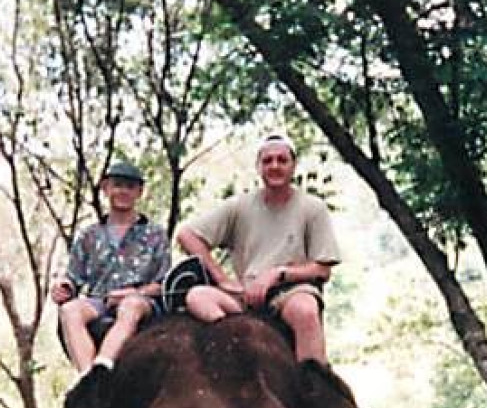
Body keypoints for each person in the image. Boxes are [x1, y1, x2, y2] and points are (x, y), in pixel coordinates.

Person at [176, 134, 342, 363]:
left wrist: (277, 274)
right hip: (245, 295)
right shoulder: (239, 206)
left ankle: (314, 384)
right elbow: (187, 235)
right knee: (197, 297)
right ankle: (241, 349)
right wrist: (223, 279)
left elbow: (323, 270)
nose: (274, 166)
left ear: (293, 166)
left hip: (290, 291)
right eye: (268, 161)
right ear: (258, 167)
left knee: (306, 310)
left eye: (282, 160)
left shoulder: (312, 208)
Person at [51, 161, 171, 376]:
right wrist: (63, 287)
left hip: (140, 303)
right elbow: (73, 278)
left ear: (139, 192)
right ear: (106, 188)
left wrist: (134, 293)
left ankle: (102, 367)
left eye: (130, 186)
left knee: (130, 306)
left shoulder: (155, 235)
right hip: (99, 300)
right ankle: (87, 378)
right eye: (117, 185)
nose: (123, 191)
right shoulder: (89, 235)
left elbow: (164, 285)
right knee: (70, 311)